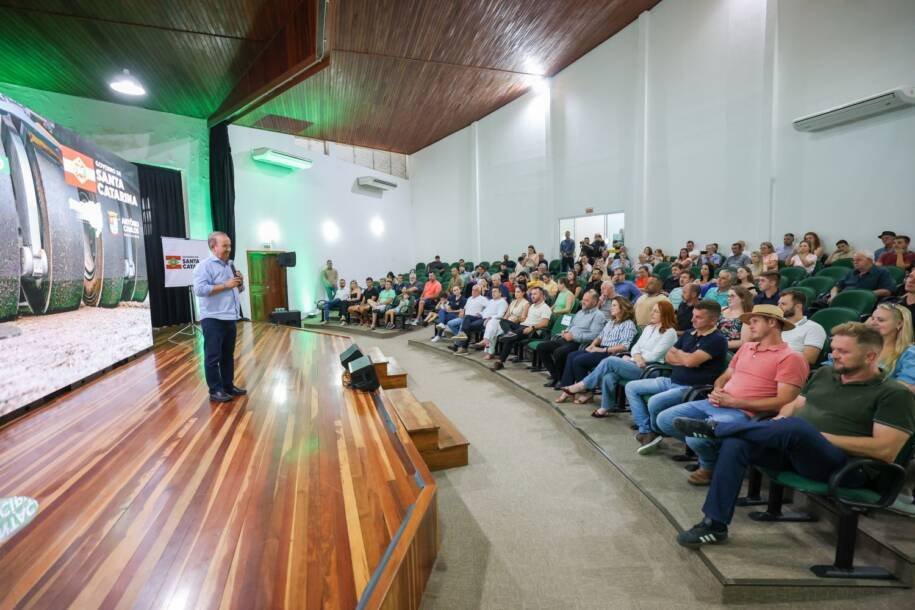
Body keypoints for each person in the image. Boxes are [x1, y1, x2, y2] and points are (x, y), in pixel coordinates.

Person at [673, 322, 915, 548]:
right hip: (795, 449)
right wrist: (779, 424)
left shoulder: (893, 394)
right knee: (738, 443)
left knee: (798, 428)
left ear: (870, 356)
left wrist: (815, 436)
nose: (834, 356)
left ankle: (716, 430)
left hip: (845, 468)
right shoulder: (824, 375)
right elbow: (795, 404)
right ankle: (714, 525)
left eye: (843, 352)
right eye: (834, 350)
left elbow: (885, 450)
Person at [655, 305, 809, 485]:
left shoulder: (791, 358)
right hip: (718, 402)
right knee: (664, 420)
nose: (749, 326)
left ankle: (709, 464)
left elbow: (784, 401)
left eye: (755, 321)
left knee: (695, 438)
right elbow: (725, 376)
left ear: (772, 323)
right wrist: (718, 388)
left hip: (745, 413)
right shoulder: (747, 348)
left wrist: (735, 402)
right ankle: (715, 454)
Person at [625, 300, 729, 452]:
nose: (692, 320)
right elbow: (669, 357)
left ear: (713, 320)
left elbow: (690, 361)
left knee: (654, 401)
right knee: (631, 387)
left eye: (699, 317)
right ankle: (647, 430)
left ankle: (656, 432)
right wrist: (685, 358)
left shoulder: (717, 340)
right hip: (671, 380)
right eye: (693, 315)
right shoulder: (688, 333)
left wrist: (682, 356)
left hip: (690, 388)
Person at [562, 302, 678, 415]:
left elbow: (654, 356)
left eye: (656, 311)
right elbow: (636, 347)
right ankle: (606, 406)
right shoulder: (649, 328)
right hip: (637, 364)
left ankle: (583, 385)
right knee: (609, 376)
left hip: (651, 370)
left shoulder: (670, 333)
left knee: (610, 360)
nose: (652, 313)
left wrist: (634, 358)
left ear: (665, 314)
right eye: (652, 311)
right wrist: (636, 357)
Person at [193, 231, 246, 403]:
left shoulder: (230, 265)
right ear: (213, 247)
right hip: (213, 318)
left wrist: (240, 283)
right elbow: (199, 290)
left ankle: (228, 386)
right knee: (212, 356)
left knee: (227, 356)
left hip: (230, 317)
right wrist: (225, 285)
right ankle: (215, 390)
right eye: (225, 246)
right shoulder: (204, 266)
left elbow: (237, 290)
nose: (229, 249)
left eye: (229, 245)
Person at [554, 296, 638, 389]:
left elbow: (624, 346)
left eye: (614, 305)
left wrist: (602, 349)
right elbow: (600, 337)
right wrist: (592, 345)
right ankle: (567, 386)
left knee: (578, 360)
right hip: (600, 349)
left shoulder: (628, 324)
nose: (611, 308)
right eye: (611, 305)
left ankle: (585, 391)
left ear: (623, 308)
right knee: (572, 355)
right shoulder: (611, 321)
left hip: (612, 354)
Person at [535, 290, 605, 386]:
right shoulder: (580, 312)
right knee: (541, 347)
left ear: (594, 302)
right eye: (583, 299)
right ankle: (556, 376)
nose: (583, 302)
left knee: (559, 352)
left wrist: (573, 336)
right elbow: (572, 325)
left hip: (579, 343)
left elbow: (594, 335)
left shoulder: (598, 315)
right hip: (566, 339)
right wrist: (566, 331)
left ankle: (562, 380)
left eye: (586, 300)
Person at [491, 287, 552, 370]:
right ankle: (510, 333)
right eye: (531, 294)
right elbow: (525, 318)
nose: (532, 296)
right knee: (503, 321)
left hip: (532, 330)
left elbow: (545, 323)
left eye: (535, 294)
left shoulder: (545, 308)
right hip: (522, 326)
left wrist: (532, 327)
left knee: (510, 339)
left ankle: (500, 362)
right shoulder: (532, 306)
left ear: (541, 295)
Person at [866, 303, 915, 393]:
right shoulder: (861, 346)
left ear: (899, 324)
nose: (873, 323)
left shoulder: (910, 353)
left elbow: (903, 388)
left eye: (880, 320)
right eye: (872, 318)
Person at [478, 286, 530, 359]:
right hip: (506, 323)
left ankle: (488, 349)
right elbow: (506, 315)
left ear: (523, 293)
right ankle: (487, 345)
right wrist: (503, 321)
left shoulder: (526, 303)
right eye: (515, 292)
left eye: (518, 292)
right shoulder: (513, 302)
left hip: (514, 325)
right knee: (492, 325)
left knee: (492, 329)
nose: (516, 293)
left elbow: (523, 318)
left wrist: (515, 319)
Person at [778, 289, 827, 365]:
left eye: (783, 304)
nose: (778, 307)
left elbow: (809, 359)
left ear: (798, 307)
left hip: (790, 367)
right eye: (778, 304)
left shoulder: (814, 328)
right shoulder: (775, 325)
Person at [829, 251, 895, 302]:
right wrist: (833, 295)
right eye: (853, 260)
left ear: (870, 260)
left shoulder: (882, 272)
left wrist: (863, 294)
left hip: (862, 300)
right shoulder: (851, 272)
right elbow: (837, 286)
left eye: (858, 260)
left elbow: (887, 291)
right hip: (841, 298)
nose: (855, 262)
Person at [451, 285, 499, 353]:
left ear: (479, 291)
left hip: (476, 318)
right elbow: (465, 308)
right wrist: (462, 312)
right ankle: (462, 346)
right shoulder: (470, 298)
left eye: (475, 290)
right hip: (467, 318)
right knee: (465, 325)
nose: (473, 291)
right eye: (472, 290)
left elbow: (490, 307)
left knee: (465, 325)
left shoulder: (482, 299)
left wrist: (481, 313)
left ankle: (459, 345)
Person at [718, 287, 754, 351]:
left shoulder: (746, 317)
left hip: (729, 351)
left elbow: (744, 342)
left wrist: (720, 344)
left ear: (742, 298)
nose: (729, 298)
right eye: (728, 296)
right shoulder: (722, 309)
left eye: (732, 296)